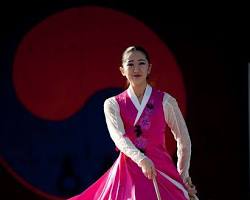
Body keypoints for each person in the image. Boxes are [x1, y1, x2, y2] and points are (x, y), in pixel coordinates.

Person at [68, 46, 198, 200]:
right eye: (130, 64)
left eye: (141, 63)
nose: (136, 68)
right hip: (128, 170)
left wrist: (182, 175)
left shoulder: (166, 101)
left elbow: (184, 140)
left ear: (149, 68)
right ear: (122, 70)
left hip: (161, 169)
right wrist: (141, 159)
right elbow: (119, 137)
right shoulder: (112, 104)